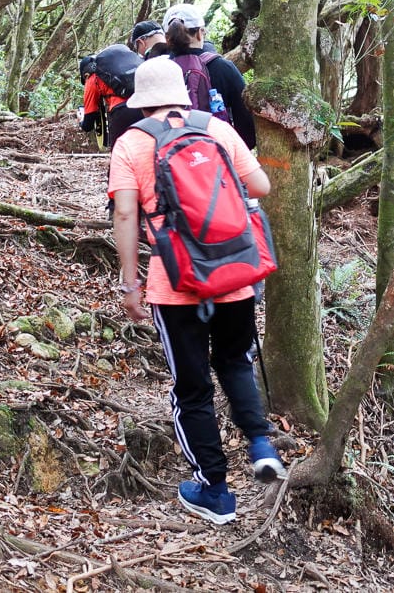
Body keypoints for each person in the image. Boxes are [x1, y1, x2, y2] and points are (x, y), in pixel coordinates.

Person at [109, 58, 286, 525]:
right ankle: (261, 443)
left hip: (175, 283)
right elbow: (262, 187)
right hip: (235, 273)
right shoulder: (218, 130)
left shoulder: (131, 143)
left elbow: (126, 216)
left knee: (192, 389)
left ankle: (216, 490)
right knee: (235, 362)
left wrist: (131, 283)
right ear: (183, 93)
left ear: (140, 101)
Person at [162, 4, 256, 148]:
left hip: (169, 160)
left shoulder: (157, 71)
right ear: (200, 33)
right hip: (216, 159)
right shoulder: (223, 68)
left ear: (167, 38)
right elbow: (247, 131)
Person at [80, 45, 143, 150]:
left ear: (85, 74)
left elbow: (88, 123)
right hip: (145, 107)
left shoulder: (92, 78)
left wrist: (81, 119)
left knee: (120, 153)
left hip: (122, 112)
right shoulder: (118, 70)